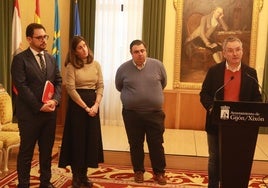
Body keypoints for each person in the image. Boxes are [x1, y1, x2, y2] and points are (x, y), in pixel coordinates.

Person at [200, 36, 262, 188]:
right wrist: (211, 108)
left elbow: (256, 98)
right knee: (215, 159)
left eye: (238, 50)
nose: (235, 54)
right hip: (217, 124)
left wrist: (254, 112)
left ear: (242, 51)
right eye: (230, 50)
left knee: (237, 159)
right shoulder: (214, 71)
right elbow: (205, 94)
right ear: (224, 53)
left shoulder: (250, 73)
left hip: (241, 126)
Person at [11, 23, 62, 188]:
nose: (44, 40)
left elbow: (58, 82)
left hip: (49, 114)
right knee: (26, 152)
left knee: (46, 152)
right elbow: (21, 86)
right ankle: (23, 184)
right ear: (29, 39)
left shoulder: (51, 58)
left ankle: (45, 183)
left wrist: (54, 100)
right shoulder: (20, 59)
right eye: (39, 37)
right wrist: (39, 106)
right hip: (30, 115)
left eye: (45, 37)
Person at [115, 39, 167, 185]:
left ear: (146, 51)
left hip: (154, 114)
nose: (140, 54)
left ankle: (159, 173)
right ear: (131, 53)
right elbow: (119, 86)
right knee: (135, 143)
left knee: (156, 143)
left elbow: (163, 83)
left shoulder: (158, 65)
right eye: (136, 52)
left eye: (142, 51)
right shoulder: (123, 69)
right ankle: (138, 171)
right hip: (132, 114)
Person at [58, 36, 104, 188]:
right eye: (80, 47)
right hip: (78, 107)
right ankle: (76, 176)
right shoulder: (71, 66)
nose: (84, 49)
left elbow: (101, 86)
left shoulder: (96, 64)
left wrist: (96, 105)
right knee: (77, 141)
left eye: (85, 45)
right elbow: (70, 89)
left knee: (89, 141)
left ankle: (84, 176)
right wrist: (85, 107)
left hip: (93, 105)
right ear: (74, 52)